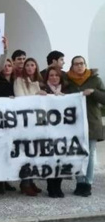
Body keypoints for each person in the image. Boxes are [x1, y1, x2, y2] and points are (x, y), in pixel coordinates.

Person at [65, 56, 105, 197]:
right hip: (74, 124)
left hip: (91, 122)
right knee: (77, 154)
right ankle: (79, 182)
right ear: (72, 66)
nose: (79, 66)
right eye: (76, 64)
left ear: (85, 65)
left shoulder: (95, 80)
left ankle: (88, 183)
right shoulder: (68, 82)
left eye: (82, 63)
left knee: (90, 154)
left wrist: (94, 92)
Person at [13, 58, 46, 196]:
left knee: (35, 154)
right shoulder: (19, 81)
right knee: (27, 154)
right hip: (25, 123)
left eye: (33, 65)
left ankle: (31, 181)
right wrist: (36, 94)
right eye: (27, 65)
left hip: (37, 123)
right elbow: (21, 99)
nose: (30, 67)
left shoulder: (39, 82)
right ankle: (25, 183)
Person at [0, 59, 17, 194]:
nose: (7, 68)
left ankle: (6, 179)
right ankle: (0, 182)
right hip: (0, 122)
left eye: (9, 65)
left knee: (9, 152)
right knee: (0, 152)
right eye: (4, 66)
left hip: (14, 122)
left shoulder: (16, 82)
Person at [43, 66, 66, 198]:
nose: (54, 77)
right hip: (48, 130)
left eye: (56, 75)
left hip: (63, 131)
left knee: (61, 159)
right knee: (50, 159)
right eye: (51, 75)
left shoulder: (66, 90)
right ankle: (51, 186)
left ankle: (58, 186)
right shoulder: (43, 90)